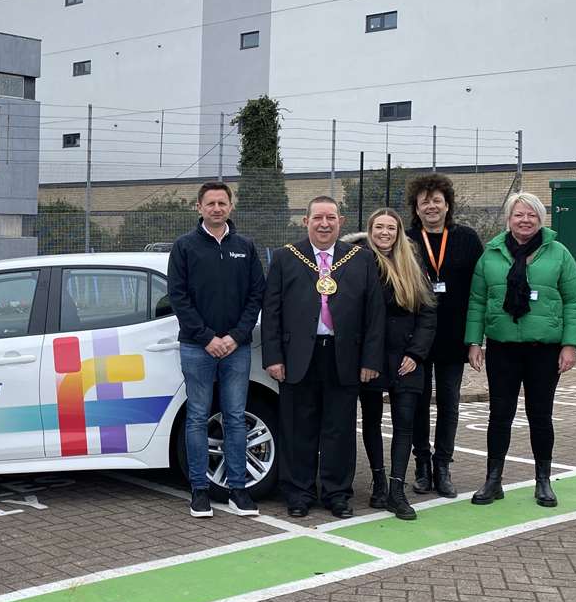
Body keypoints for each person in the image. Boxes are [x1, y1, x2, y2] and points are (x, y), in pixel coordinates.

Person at [261, 196, 384, 518]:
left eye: (330, 217)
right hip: (298, 356)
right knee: (297, 428)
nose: (324, 224)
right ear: (306, 221)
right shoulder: (287, 258)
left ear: (340, 222)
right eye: (318, 218)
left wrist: (371, 361)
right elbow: (271, 312)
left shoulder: (360, 259)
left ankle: (336, 493)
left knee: (339, 429)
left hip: (344, 356)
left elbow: (374, 314)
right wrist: (273, 357)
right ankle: (299, 493)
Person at [466, 192, 576, 508]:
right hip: (502, 348)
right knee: (499, 415)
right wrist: (474, 341)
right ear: (509, 218)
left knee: (540, 416)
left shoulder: (558, 253)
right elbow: (477, 301)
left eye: (532, 215)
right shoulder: (491, 254)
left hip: (543, 350)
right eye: (519, 214)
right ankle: (493, 480)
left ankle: (543, 480)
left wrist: (570, 344)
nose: (525, 220)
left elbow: (575, 299)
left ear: (541, 219)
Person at [167, 181, 267, 517]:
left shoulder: (246, 247)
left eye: (222, 203)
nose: (216, 208)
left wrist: (236, 337)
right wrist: (207, 337)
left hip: (236, 348)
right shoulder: (184, 247)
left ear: (230, 207)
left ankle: (238, 490)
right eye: (210, 203)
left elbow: (257, 296)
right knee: (196, 417)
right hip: (197, 348)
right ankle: (199, 491)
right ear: (199, 208)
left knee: (235, 418)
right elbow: (178, 298)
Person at [352, 211, 437, 520]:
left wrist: (415, 354)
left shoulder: (413, 264)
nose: (385, 233)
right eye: (379, 227)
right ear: (370, 230)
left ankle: (397, 491)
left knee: (405, 424)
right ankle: (378, 482)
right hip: (371, 359)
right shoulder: (359, 261)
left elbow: (428, 314)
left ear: (399, 232)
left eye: (391, 228)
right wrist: (365, 357)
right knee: (372, 420)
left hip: (407, 360)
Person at [405, 173, 484, 498]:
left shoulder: (466, 238)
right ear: (417, 208)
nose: (431, 206)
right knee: (419, 403)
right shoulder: (407, 240)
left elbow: (479, 291)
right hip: (418, 339)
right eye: (425, 202)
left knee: (449, 403)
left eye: (437, 200)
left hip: (454, 337)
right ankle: (422, 466)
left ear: (447, 204)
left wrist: (476, 339)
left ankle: (443, 466)